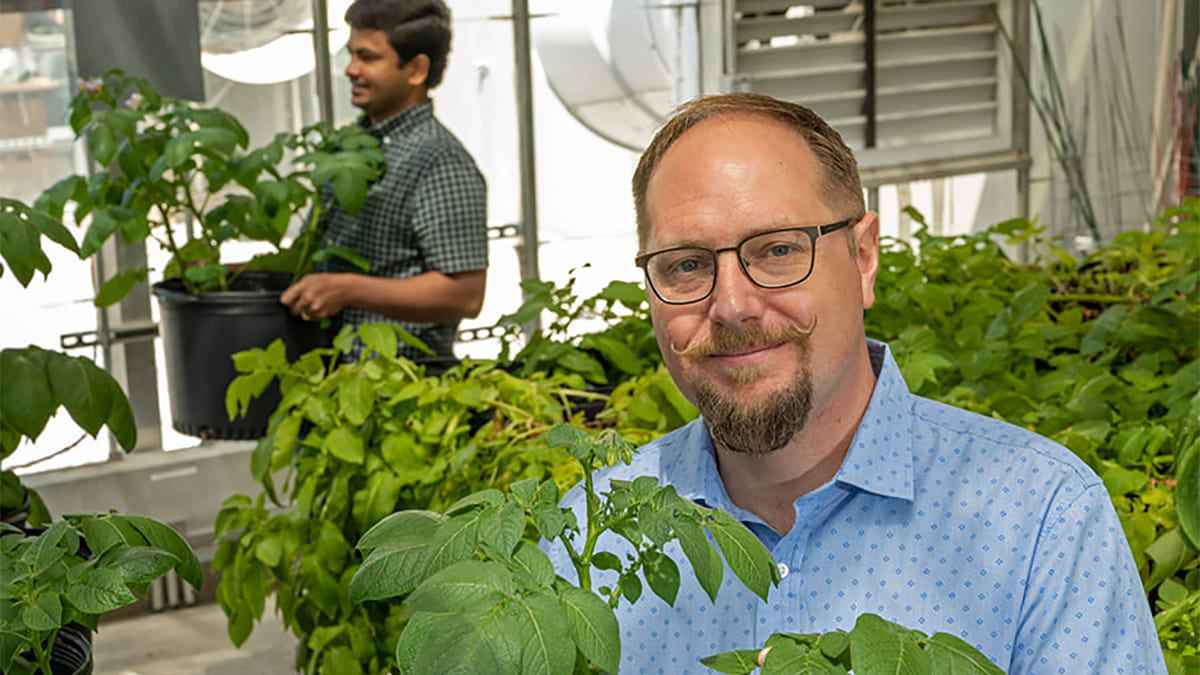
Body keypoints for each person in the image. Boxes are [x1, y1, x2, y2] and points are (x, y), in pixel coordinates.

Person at [546, 93, 1166, 674]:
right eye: (686, 264)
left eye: (778, 251)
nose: (732, 305)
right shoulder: (580, 541)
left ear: (864, 258)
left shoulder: (1039, 520)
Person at [281, 0, 487, 368]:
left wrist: (346, 290)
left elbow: (465, 294)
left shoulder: (438, 160)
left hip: (401, 385)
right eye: (350, 55)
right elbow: (311, 254)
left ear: (416, 69)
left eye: (368, 57)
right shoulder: (346, 148)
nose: (350, 69)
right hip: (328, 378)